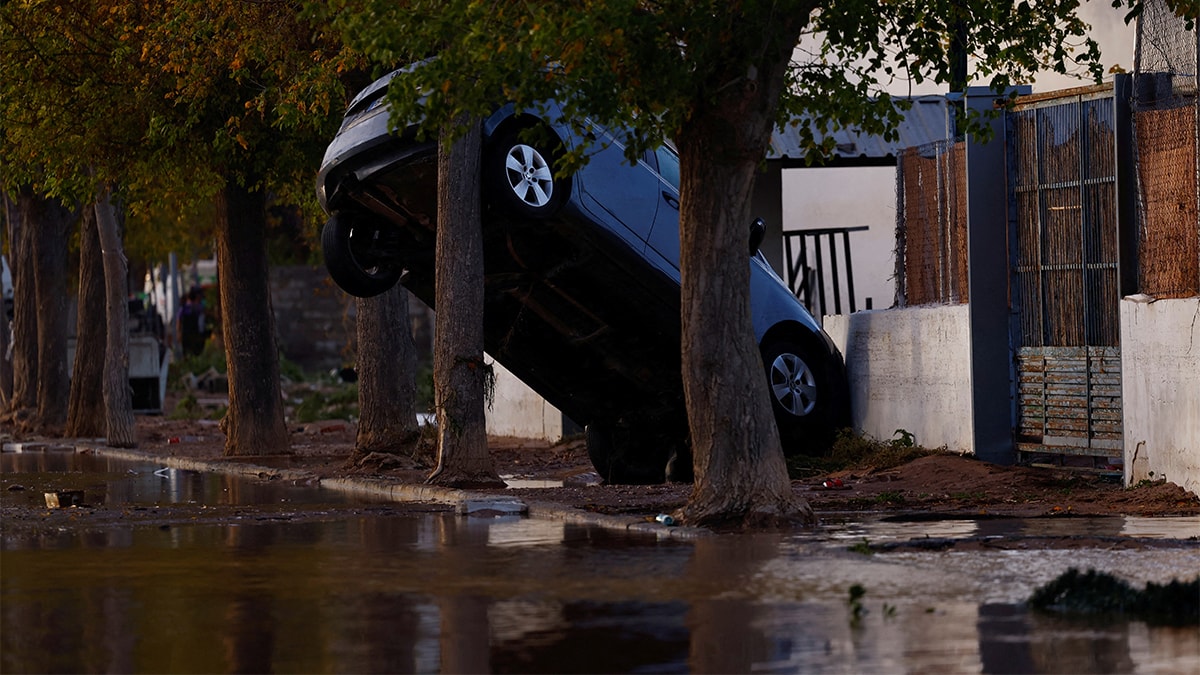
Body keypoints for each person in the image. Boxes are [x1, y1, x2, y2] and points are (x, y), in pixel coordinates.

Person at [177, 287, 208, 356]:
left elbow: (179, 321)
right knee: (196, 353)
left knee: (187, 354)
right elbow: (202, 324)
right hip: (195, 335)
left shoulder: (184, 307)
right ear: (197, 296)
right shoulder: (199, 308)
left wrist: (179, 333)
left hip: (186, 335)